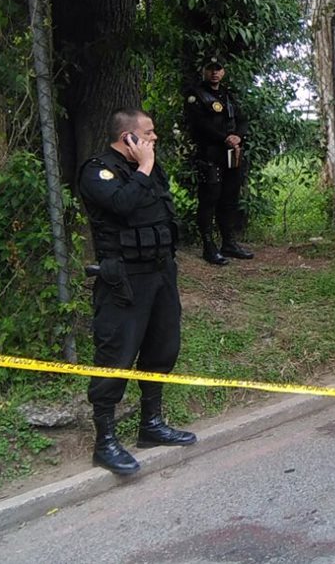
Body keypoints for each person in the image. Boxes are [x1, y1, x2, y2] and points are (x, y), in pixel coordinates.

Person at [78, 109, 197, 475]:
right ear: (127, 137)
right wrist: (144, 167)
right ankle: (105, 442)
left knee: (163, 347)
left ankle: (152, 424)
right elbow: (121, 205)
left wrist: (146, 167)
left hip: (160, 272)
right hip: (125, 280)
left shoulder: (151, 168)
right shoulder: (98, 171)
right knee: (116, 353)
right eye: (148, 133)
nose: (154, 138)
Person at [184, 56, 253, 265]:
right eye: (210, 69)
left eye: (218, 69)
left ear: (223, 72)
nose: (214, 73)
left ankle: (229, 243)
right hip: (210, 154)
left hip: (231, 154)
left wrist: (237, 136)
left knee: (230, 198)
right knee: (209, 199)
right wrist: (225, 138)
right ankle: (209, 247)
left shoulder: (228, 95)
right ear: (204, 71)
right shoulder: (195, 96)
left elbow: (242, 119)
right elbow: (199, 125)